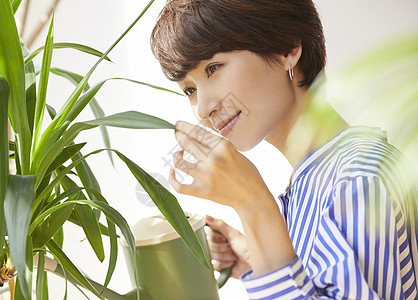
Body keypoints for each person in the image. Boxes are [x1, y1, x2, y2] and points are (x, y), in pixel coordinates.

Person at [150, 0, 418, 299]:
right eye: (190, 89)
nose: (203, 108)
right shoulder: (315, 180)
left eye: (213, 68)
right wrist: (258, 257)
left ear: (288, 49)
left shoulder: (358, 177)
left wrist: (254, 205)